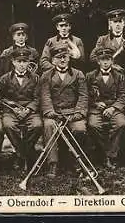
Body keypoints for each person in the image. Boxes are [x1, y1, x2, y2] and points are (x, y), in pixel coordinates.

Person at [39, 44, 88, 177]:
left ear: (69, 58)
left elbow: (83, 96)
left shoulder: (78, 74)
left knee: (79, 129)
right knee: (49, 126)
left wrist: (78, 114)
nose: (62, 60)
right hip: (54, 113)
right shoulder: (46, 75)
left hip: (72, 113)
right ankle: (52, 164)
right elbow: (45, 95)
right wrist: (50, 113)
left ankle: (75, 161)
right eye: (58, 57)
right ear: (53, 60)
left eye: (65, 57)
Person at [0, 48, 42, 171]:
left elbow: (38, 98)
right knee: (8, 125)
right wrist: (13, 108)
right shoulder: (5, 78)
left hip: (30, 111)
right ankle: (23, 154)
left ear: (29, 62)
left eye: (25, 61)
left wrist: (28, 110)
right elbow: (0, 97)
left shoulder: (36, 78)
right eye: (19, 61)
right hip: (11, 111)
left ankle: (22, 154)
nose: (22, 64)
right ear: (13, 62)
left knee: (37, 125)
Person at [86, 47, 125, 170]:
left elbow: (124, 95)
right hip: (96, 108)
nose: (105, 62)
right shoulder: (90, 76)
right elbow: (84, 95)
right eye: (102, 60)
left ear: (112, 61)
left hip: (113, 108)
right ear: (98, 61)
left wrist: (113, 108)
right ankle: (103, 153)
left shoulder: (119, 76)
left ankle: (111, 155)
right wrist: (95, 103)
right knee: (93, 125)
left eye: (108, 59)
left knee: (120, 124)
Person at [90, 8, 125, 74]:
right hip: (110, 75)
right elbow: (93, 59)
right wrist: (111, 65)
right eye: (115, 22)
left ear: (124, 23)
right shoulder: (103, 40)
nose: (117, 24)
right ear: (110, 24)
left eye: (120, 21)